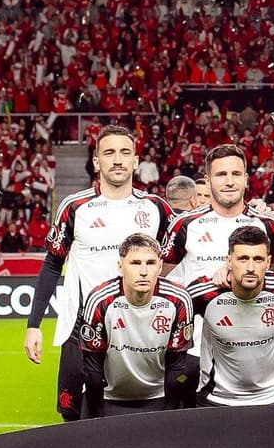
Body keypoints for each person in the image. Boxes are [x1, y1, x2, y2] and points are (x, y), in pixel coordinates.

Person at [23, 125, 178, 421]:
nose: (117, 160)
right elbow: (53, 264)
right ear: (97, 162)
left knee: (141, 412)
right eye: (109, 153)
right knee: (72, 413)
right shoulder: (75, 207)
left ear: (135, 161)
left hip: (140, 327)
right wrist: (33, 325)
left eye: (125, 152)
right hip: (83, 327)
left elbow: (183, 250)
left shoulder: (155, 207)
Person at [166, 144, 274, 408]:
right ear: (208, 180)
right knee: (192, 428)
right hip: (194, 349)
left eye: (236, 174)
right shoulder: (185, 224)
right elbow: (160, 280)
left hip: (255, 349)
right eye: (221, 175)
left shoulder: (267, 224)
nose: (229, 181)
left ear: (246, 178)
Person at [185, 226, 274, 407]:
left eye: (258, 259)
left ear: (268, 262)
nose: (250, 268)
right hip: (217, 399)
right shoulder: (204, 294)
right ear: (229, 261)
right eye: (243, 259)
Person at [81, 233, 195, 418]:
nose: (143, 271)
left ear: (160, 267)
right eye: (135, 263)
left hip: (159, 395)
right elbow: (92, 367)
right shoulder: (100, 300)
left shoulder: (179, 300)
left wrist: (169, 415)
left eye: (150, 263)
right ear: (121, 267)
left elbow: (176, 365)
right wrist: (98, 416)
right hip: (108, 396)